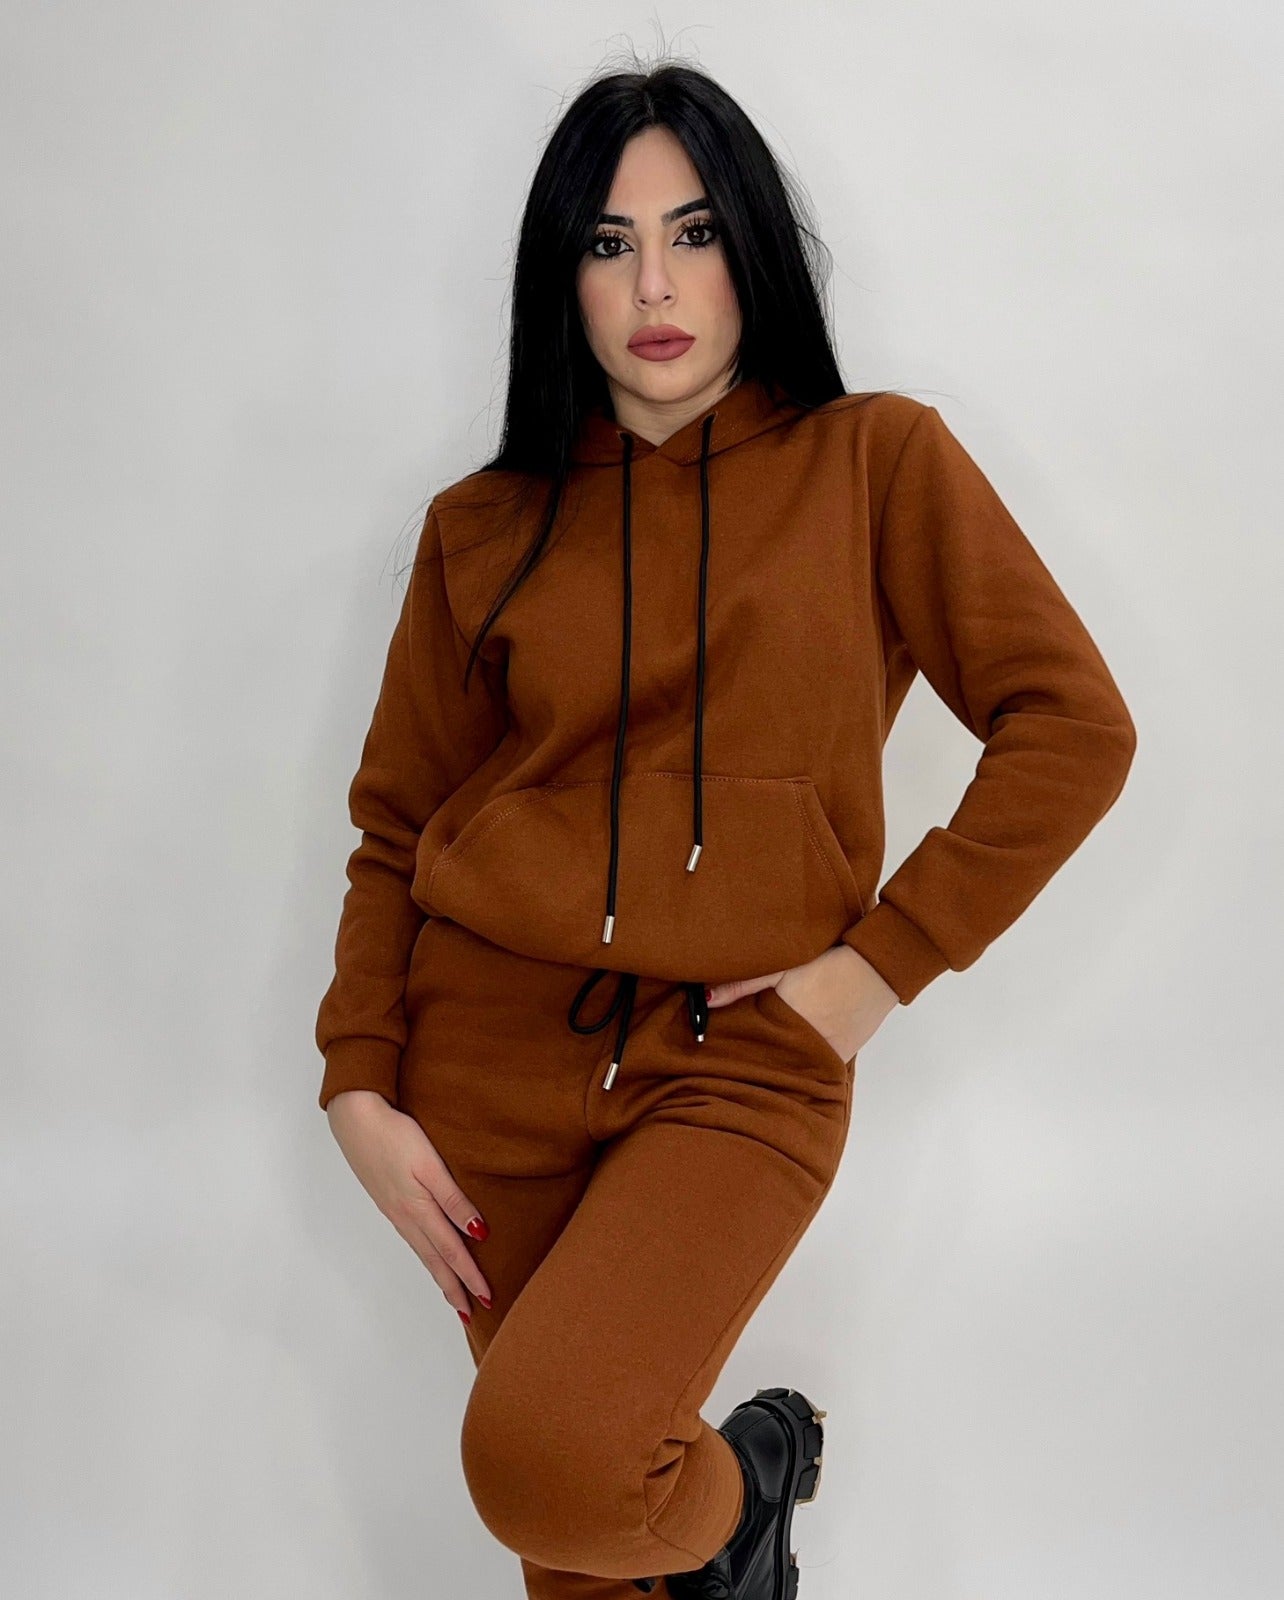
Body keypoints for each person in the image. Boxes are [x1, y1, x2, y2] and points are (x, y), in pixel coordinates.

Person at [313, 59, 1136, 1600]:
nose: (655, 287)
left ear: (752, 246)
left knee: (557, 1466)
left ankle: (747, 1491)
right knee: (582, 1552)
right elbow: (396, 823)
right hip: (482, 1061)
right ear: (560, 275)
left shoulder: (876, 462)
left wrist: (875, 971)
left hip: (743, 1056)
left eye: (692, 233)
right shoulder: (479, 526)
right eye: (608, 243)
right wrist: (359, 1080)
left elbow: (1074, 727)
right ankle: (724, 1540)